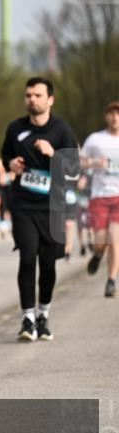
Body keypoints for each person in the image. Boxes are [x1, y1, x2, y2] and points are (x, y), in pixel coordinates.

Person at [0, 77, 80, 341]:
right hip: (23, 205)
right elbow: (5, 158)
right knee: (27, 257)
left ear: (50, 99)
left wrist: (52, 154)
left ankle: (43, 314)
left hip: (53, 207)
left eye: (37, 95)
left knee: (48, 263)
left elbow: (73, 171)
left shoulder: (61, 131)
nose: (32, 100)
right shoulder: (15, 129)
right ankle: (27, 319)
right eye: (28, 95)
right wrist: (10, 165)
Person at [82, 101, 119, 297]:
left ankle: (111, 281)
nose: (115, 117)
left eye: (118, 114)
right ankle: (97, 254)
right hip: (99, 197)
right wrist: (95, 162)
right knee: (101, 242)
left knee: (116, 239)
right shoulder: (95, 139)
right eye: (112, 113)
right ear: (106, 116)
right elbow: (81, 162)